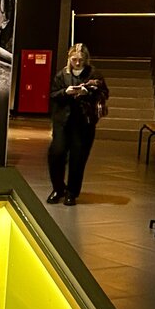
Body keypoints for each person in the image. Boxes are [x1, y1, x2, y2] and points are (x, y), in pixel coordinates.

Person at [47, 43, 108, 206]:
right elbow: (52, 94)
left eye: (81, 60)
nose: (78, 63)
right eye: (74, 59)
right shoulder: (62, 75)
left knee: (78, 159)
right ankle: (58, 188)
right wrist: (65, 92)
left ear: (86, 59)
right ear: (69, 59)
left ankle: (71, 192)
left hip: (84, 123)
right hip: (63, 122)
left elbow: (104, 93)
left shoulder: (93, 74)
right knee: (56, 153)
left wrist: (87, 92)